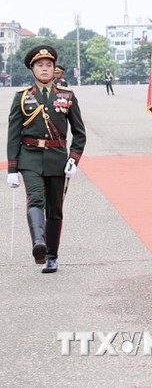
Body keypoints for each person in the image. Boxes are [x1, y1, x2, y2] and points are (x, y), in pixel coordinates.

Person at [7, 45, 86, 273]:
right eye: (40, 65)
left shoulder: (67, 97)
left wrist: (74, 158)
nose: (44, 69)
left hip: (57, 157)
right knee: (35, 199)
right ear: (32, 69)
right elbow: (13, 134)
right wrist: (12, 168)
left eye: (48, 65)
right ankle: (39, 243)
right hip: (29, 157)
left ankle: (51, 255)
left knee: (55, 208)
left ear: (54, 69)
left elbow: (79, 133)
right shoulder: (21, 98)